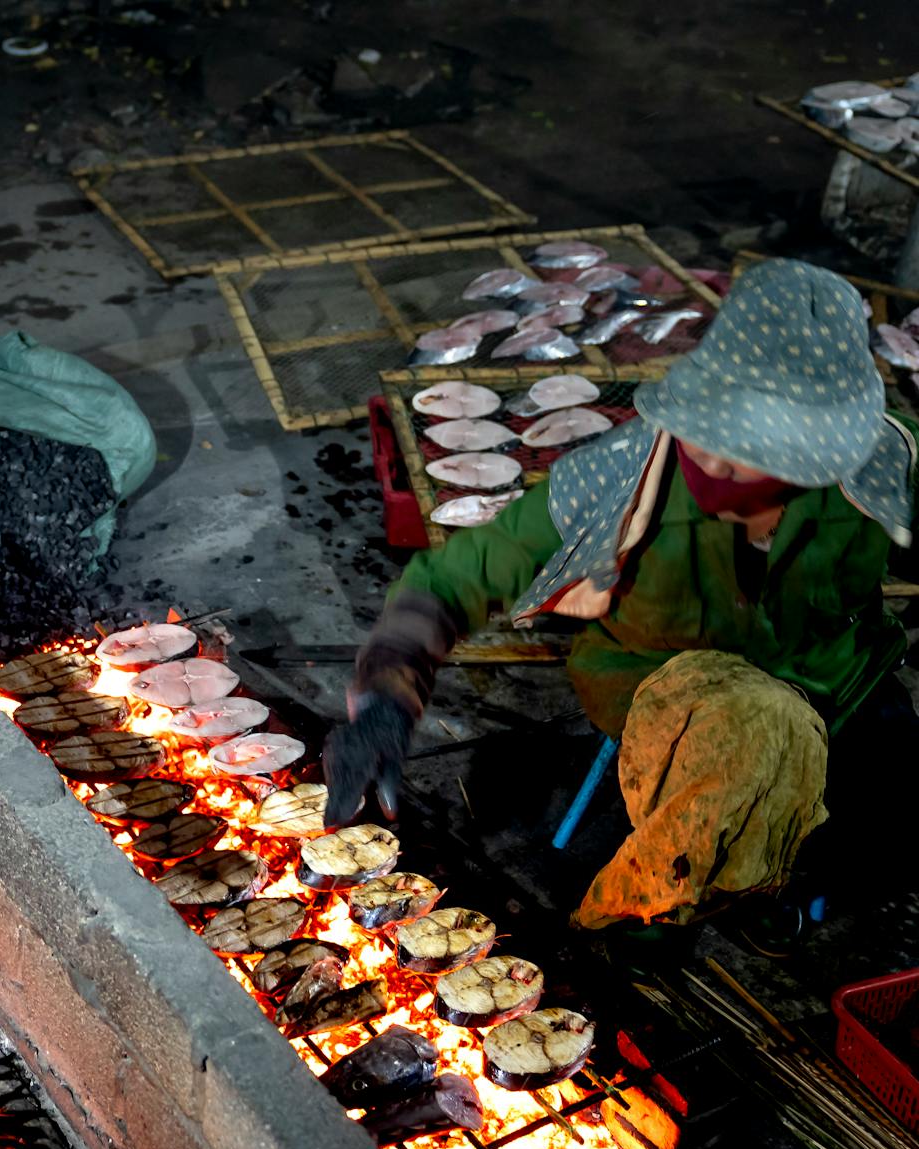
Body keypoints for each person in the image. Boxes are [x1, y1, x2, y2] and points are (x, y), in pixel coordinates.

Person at [323, 259, 918, 932]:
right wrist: (386, 699)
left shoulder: (880, 466)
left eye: (754, 451)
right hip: (660, 690)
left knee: (892, 801)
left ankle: (810, 884)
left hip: (837, 677)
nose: (715, 464)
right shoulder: (623, 472)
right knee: (750, 741)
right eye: (712, 433)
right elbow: (462, 572)